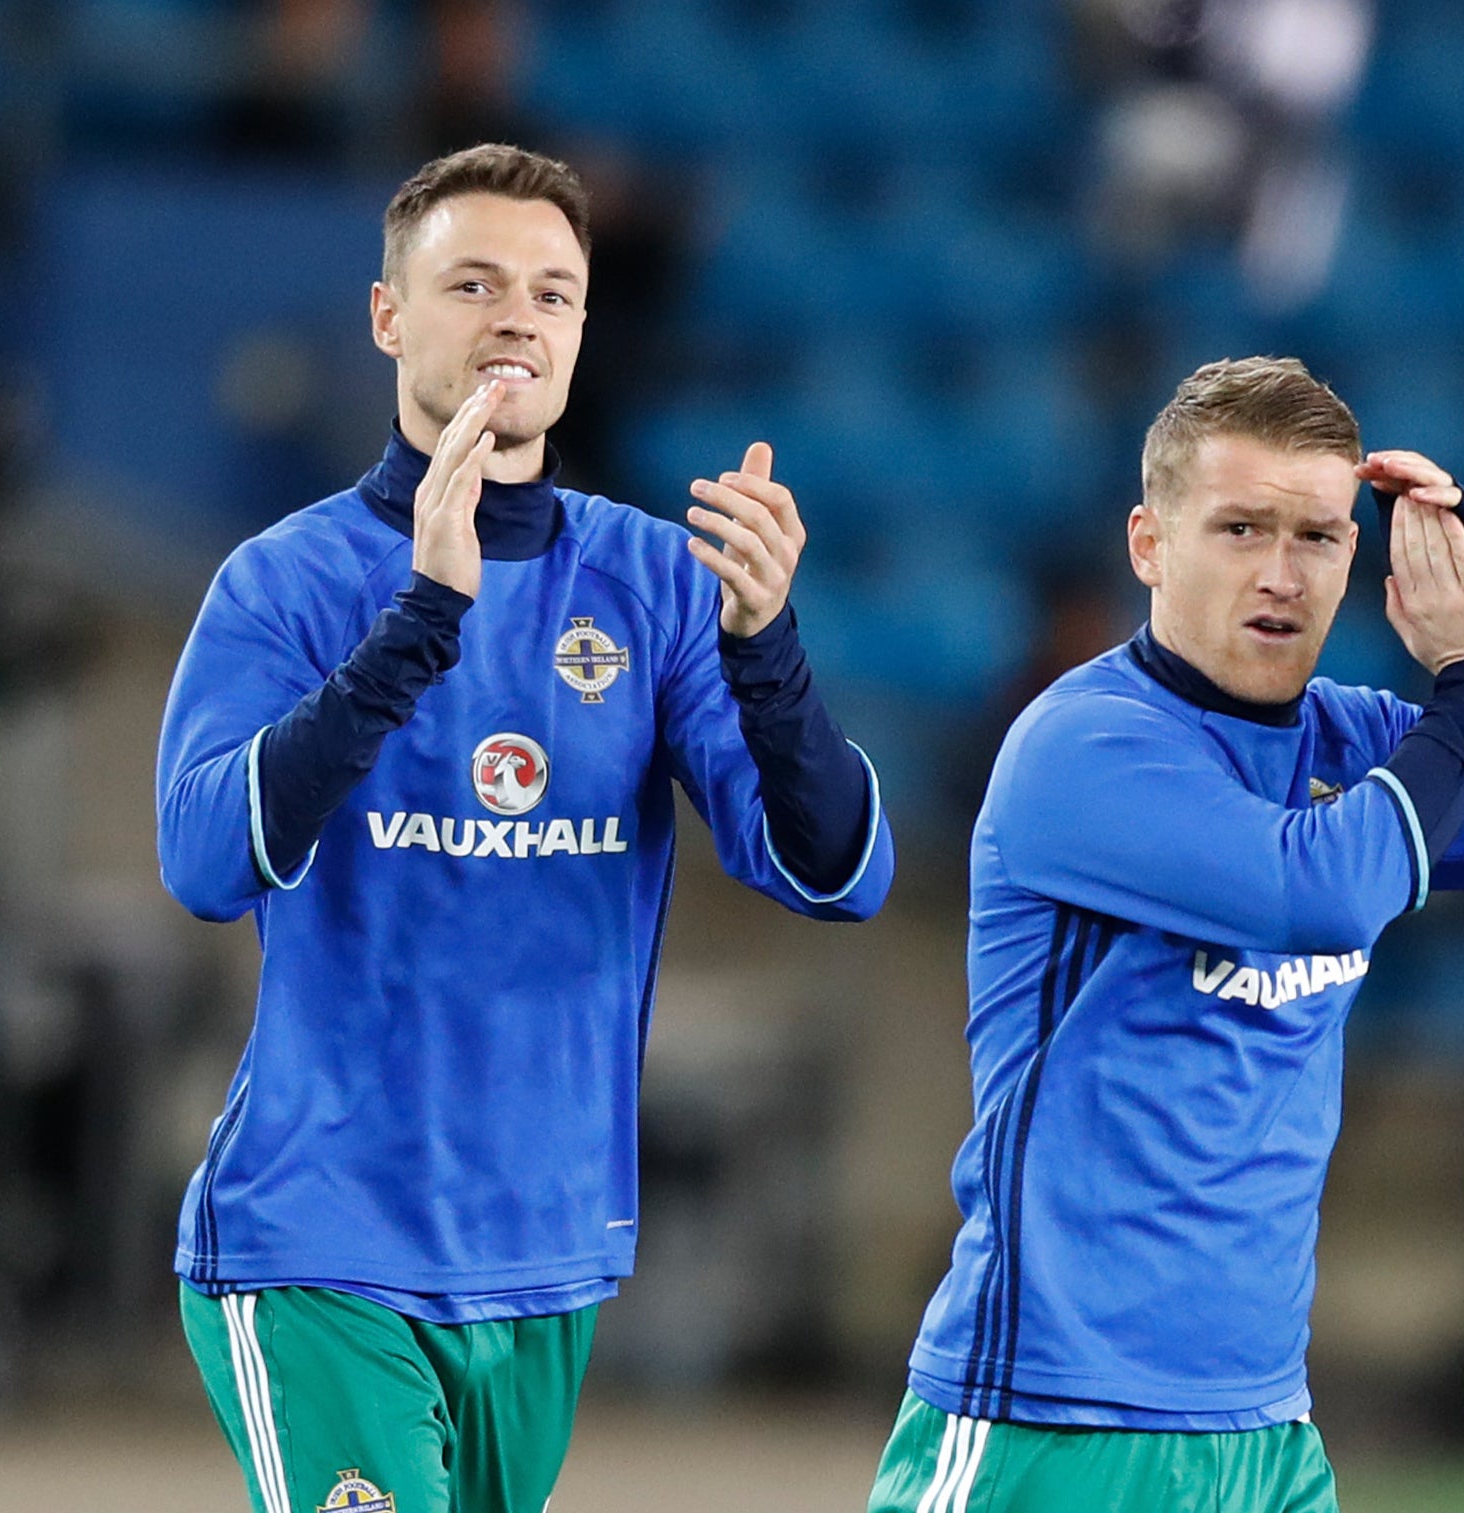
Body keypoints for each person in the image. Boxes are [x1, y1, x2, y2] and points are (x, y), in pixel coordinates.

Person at [156, 143, 893, 1513]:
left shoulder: (658, 582)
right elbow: (203, 862)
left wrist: (770, 654)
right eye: (476, 283)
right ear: (389, 319)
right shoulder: (288, 580)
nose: (519, 318)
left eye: (555, 293)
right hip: (320, 1242)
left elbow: (835, 870)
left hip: (542, 1251)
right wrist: (416, 631)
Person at [866, 356, 1464, 1513]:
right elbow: (1325, 893)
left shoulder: (1347, 743)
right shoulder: (1084, 747)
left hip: (1261, 1427)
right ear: (1149, 543)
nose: (1282, 574)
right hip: (1046, 1420)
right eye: (1240, 528)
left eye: (1320, 537)